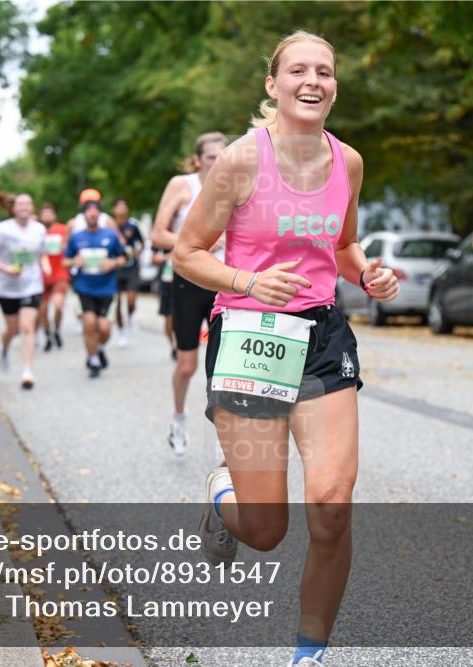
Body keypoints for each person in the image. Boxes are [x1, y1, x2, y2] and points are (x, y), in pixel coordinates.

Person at [173, 32, 397, 667]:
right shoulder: (242, 161)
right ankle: (224, 497)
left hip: (323, 338)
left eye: (324, 71)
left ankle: (309, 654)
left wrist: (369, 274)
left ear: (333, 86)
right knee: (267, 530)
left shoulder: (347, 162)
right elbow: (186, 255)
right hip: (249, 339)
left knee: (330, 506)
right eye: (298, 69)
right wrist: (249, 282)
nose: (313, 80)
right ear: (272, 85)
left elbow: (344, 247)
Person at [151, 131, 229, 456]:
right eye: (212, 157)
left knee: (224, 368)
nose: (218, 162)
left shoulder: (237, 184)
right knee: (187, 366)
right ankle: (178, 419)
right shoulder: (182, 185)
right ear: (198, 160)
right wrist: (197, 243)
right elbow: (158, 234)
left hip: (225, 284)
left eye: (223, 156)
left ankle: (225, 436)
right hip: (188, 282)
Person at [0, 193, 51, 390]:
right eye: (20, 204)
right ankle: (4, 347)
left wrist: (45, 265)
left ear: (32, 208)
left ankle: (27, 371)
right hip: (7, 288)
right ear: (13, 208)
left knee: (27, 327)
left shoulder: (39, 229)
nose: (24, 207)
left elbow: (42, 252)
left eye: (28, 204)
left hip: (31, 285)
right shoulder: (3, 229)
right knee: (12, 329)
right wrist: (5, 269)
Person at [63, 200, 126, 378]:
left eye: (95, 212)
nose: (92, 214)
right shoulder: (77, 237)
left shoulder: (110, 236)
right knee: (89, 324)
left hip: (106, 289)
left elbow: (123, 258)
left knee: (104, 329)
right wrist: (75, 261)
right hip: (85, 288)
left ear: (100, 215)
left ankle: (98, 347)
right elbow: (65, 261)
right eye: (89, 212)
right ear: (84, 216)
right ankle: (93, 360)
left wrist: (112, 262)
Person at [37, 203, 70, 351]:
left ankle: (56, 328)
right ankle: (47, 333)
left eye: (50, 213)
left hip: (59, 272)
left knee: (58, 304)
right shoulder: (36, 231)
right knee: (42, 310)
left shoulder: (62, 230)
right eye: (44, 213)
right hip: (41, 275)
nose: (47, 216)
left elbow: (69, 245)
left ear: (54, 215)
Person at [113, 198, 144, 347]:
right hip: (116, 268)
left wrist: (137, 251)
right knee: (117, 302)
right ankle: (121, 331)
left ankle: (131, 315)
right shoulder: (110, 226)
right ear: (114, 209)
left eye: (124, 206)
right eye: (119, 206)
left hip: (131, 267)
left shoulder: (132, 225)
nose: (121, 209)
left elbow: (141, 243)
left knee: (131, 300)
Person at [152, 245, 177, 360]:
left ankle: (181, 344)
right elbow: (154, 259)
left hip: (185, 281)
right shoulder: (161, 238)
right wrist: (170, 256)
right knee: (168, 317)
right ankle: (173, 345)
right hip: (167, 282)